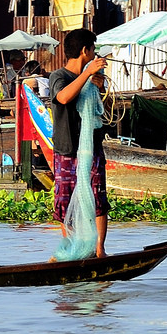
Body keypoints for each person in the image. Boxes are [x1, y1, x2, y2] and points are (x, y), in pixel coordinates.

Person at [49, 28, 109, 258]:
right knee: (64, 201)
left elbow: (97, 110)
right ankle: (74, 250)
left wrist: (99, 85)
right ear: (85, 51)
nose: (94, 56)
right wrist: (86, 75)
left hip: (91, 149)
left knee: (97, 198)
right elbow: (63, 97)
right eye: (93, 50)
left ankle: (99, 250)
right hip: (66, 149)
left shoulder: (91, 78)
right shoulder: (59, 76)